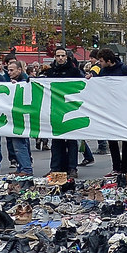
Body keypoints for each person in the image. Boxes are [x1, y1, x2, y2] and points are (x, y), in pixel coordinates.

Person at [41, 47, 83, 176]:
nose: (60, 58)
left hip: (70, 110)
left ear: (66, 57)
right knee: (56, 141)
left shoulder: (74, 71)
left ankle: (72, 168)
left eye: (62, 56)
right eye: (58, 56)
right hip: (55, 110)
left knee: (71, 141)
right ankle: (55, 168)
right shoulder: (50, 72)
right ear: (54, 57)